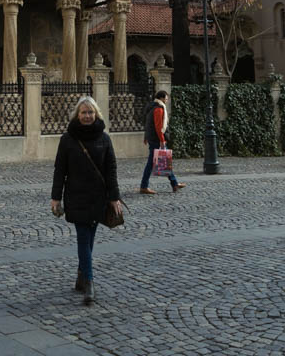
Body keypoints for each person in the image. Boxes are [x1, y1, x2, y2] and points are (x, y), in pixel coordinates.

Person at [50, 96, 123, 305]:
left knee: (90, 238)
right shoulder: (67, 139)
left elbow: (111, 170)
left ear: (96, 114)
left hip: (98, 196)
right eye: (84, 112)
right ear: (77, 115)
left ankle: (81, 276)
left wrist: (114, 197)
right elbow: (60, 170)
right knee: (83, 237)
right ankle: (90, 282)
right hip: (76, 195)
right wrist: (56, 197)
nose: (87, 116)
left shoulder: (104, 138)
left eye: (91, 112)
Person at [139, 90, 186, 195]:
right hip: (157, 139)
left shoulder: (152, 107)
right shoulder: (158, 109)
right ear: (161, 98)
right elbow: (158, 126)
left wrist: (146, 137)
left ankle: (174, 183)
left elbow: (147, 123)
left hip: (153, 138)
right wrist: (162, 140)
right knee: (153, 163)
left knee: (164, 161)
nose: (167, 100)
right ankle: (144, 186)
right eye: (166, 98)